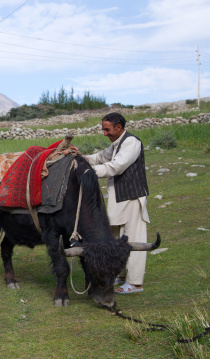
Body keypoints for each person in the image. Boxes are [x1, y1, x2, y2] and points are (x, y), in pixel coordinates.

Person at [85, 112, 149, 294]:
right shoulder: (116, 145)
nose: (104, 133)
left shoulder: (131, 143)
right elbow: (99, 157)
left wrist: (88, 172)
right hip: (119, 198)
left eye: (107, 129)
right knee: (116, 237)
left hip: (132, 196)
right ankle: (120, 275)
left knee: (134, 237)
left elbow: (116, 166)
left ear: (119, 127)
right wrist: (81, 159)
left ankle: (135, 282)